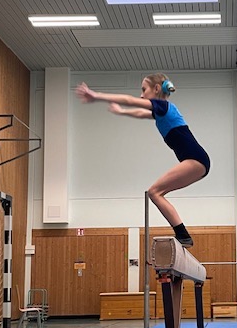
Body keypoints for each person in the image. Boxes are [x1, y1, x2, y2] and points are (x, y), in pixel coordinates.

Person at [75, 73, 210, 247]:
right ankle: (183, 236)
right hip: (197, 160)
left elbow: (129, 100)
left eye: (144, 89)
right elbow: (140, 113)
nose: (141, 95)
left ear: (156, 89)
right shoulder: (163, 111)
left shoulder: (162, 106)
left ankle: (183, 236)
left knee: (154, 192)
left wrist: (96, 96)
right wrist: (122, 112)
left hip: (195, 159)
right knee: (156, 193)